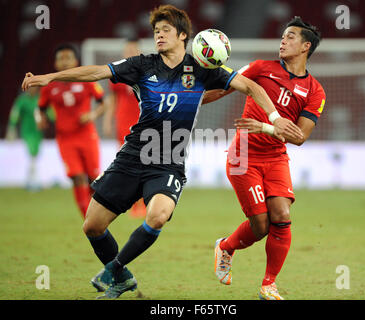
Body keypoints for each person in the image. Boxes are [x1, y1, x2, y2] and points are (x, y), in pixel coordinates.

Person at [21, 5, 303, 299]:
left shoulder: (203, 70)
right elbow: (96, 72)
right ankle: (122, 279)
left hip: (168, 162)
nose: (159, 35)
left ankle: (114, 269)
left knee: (157, 215)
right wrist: (51, 77)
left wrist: (274, 118)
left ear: (183, 36)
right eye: (156, 31)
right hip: (133, 155)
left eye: (166, 30)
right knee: (92, 226)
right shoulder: (142, 65)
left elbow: (250, 86)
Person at [206, 16, 326, 300]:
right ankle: (225, 247)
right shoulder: (261, 68)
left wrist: (265, 127)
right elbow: (223, 88)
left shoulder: (315, 91)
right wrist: (188, 100)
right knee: (260, 226)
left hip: (275, 158)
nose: (283, 40)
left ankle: (268, 285)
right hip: (243, 154)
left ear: (306, 46)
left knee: (282, 215)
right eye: (283, 36)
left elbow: (300, 137)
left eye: (291, 37)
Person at [36, 43, 107, 219]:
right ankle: (88, 218)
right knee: (78, 176)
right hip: (65, 138)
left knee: (93, 177)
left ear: (76, 61)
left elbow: (104, 103)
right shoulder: (49, 86)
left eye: (68, 58)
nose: (65, 62)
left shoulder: (88, 81)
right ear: (55, 63)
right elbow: (40, 109)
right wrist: (40, 120)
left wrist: (92, 115)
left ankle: (95, 211)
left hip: (87, 135)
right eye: (61, 58)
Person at [103, 39, 146, 218]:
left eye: (133, 49)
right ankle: (132, 205)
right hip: (123, 124)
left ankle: (144, 205)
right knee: (127, 165)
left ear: (138, 51)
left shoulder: (147, 71)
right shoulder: (117, 73)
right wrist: (107, 120)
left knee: (146, 163)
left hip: (144, 123)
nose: (130, 52)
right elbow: (112, 99)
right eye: (127, 49)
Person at [6, 87, 54, 191]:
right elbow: (15, 114)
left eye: (34, 88)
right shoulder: (22, 100)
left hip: (38, 132)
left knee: (35, 155)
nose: (32, 90)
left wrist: (56, 119)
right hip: (27, 131)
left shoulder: (41, 99)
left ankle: (30, 180)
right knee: (32, 153)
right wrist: (11, 128)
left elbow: (51, 113)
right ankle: (33, 182)